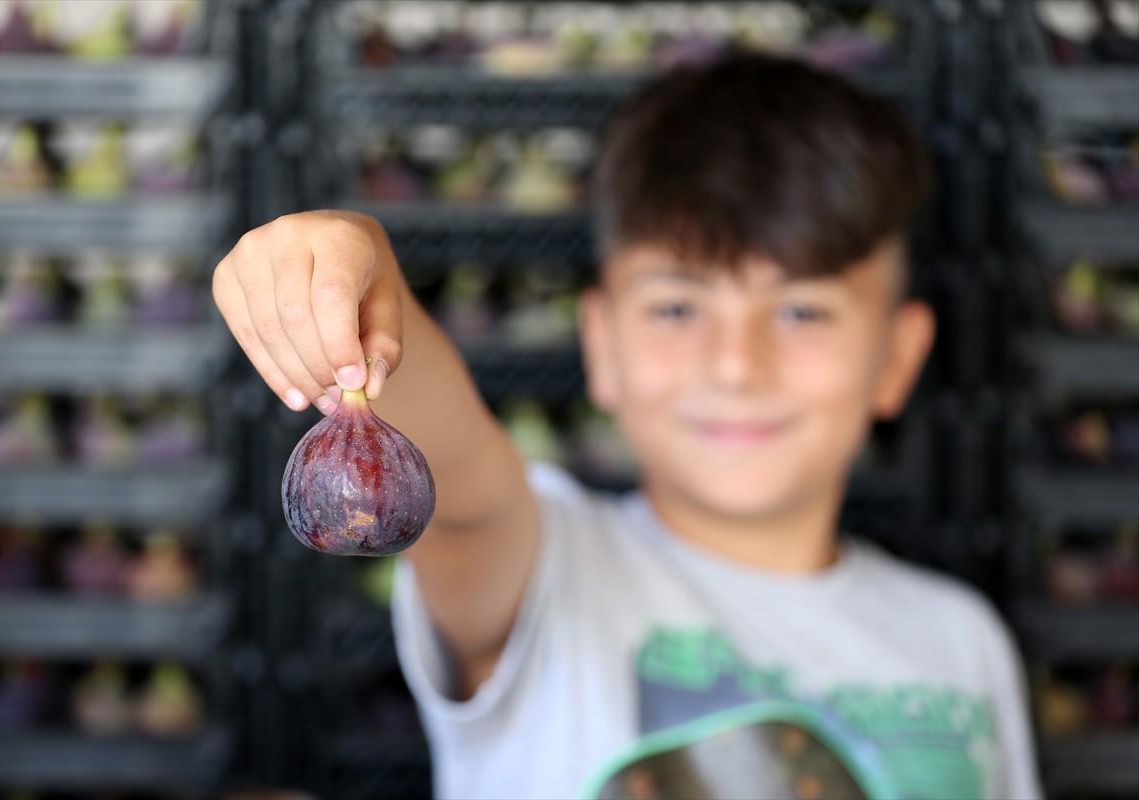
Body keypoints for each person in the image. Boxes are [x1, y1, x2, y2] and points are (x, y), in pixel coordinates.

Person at [213, 53, 1042, 800]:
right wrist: (360, 276)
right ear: (601, 347)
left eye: (800, 310)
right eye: (678, 306)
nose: (735, 364)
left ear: (898, 358)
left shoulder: (963, 644)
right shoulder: (550, 574)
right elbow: (458, 487)